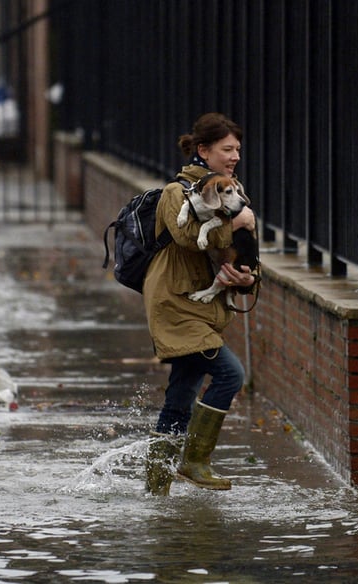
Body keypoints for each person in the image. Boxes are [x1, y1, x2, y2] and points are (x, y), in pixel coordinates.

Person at [143, 112, 259, 496]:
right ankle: (194, 462)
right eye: (227, 149)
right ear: (203, 150)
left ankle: (156, 483)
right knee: (230, 375)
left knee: (181, 394)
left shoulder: (232, 190)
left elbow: (243, 253)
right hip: (176, 306)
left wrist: (247, 278)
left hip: (206, 308)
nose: (235, 156)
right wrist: (238, 222)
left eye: (238, 149)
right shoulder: (176, 193)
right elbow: (189, 238)